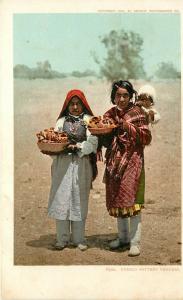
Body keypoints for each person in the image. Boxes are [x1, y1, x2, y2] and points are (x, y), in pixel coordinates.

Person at [99, 80, 152, 256]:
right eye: (118, 95)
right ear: (113, 97)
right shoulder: (110, 114)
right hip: (115, 163)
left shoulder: (137, 113)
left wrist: (126, 126)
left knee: (133, 202)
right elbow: (103, 136)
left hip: (133, 162)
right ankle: (123, 239)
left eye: (125, 95)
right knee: (118, 201)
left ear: (131, 96)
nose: (121, 99)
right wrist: (104, 134)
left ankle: (135, 242)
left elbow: (146, 137)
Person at [47, 89, 98, 251]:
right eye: (72, 104)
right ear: (67, 105)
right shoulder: (61, 121)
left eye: (78, 104)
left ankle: (79, 239)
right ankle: (61, 239)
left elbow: (93, 142)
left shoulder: (89, 120)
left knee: (79, 199)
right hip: (62, 164)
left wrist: (79, 147)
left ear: (83, 105)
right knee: (61, 199)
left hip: (81, 163)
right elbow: (53, 139)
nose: (75, 107)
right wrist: (57, 148)